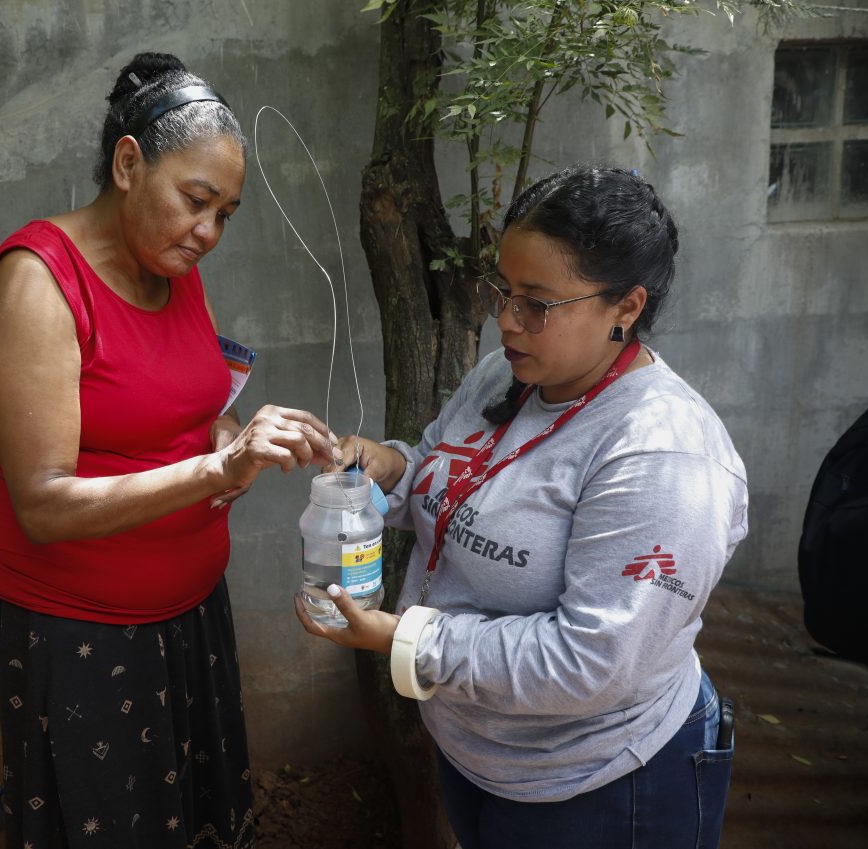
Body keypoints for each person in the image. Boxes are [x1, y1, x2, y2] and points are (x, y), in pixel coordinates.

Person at [297, 167, 748, 849]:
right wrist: (386, 467)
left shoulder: (663, 455)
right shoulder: (509, 372)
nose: (506, 319)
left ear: (624, 306)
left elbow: (592, 660)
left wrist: (404, 637)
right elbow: (448, 478)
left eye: (536, 302)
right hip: (481, 753)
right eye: (502, 291)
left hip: (600, 782)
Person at [0, 52, 335, 849]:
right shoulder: (39, 283)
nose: (208, 232)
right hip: (85, 632)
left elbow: (186, 406)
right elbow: (42, 504)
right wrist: (217, 469)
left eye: (226, 214)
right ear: (128, 162)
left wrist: (231, 437)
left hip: (190, 612)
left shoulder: (174, 269)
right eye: (196, 201)